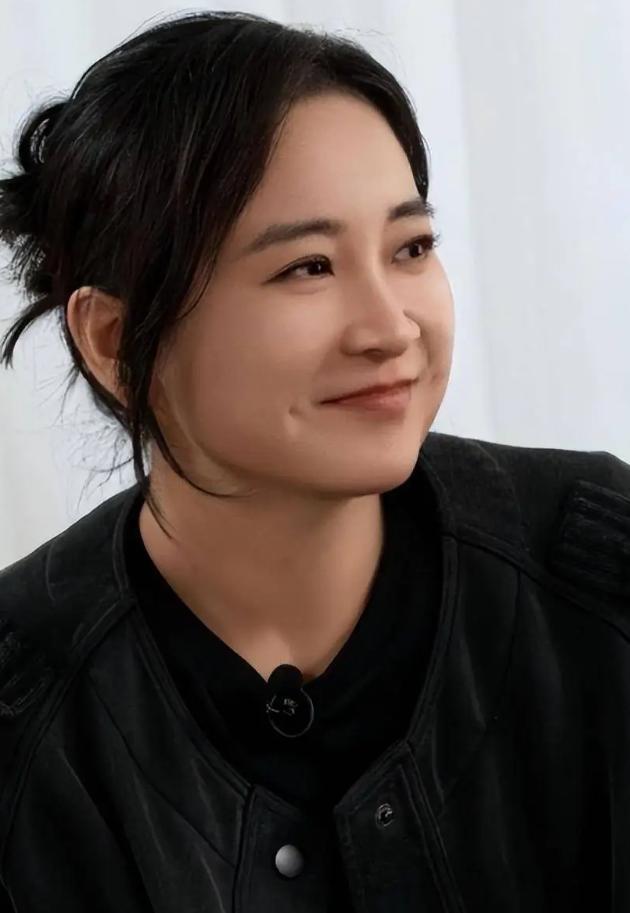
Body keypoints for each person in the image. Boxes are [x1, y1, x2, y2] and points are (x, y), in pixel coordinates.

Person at [0, 10, 629, 913]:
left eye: (410, 248)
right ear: (115, 340)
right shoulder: (26, 722)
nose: (390, 328)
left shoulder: (599, 575)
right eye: (308, 267)